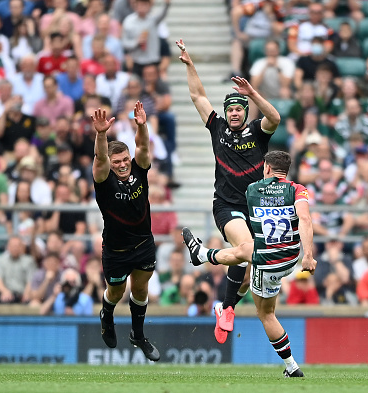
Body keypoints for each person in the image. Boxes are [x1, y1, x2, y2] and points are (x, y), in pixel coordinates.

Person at [176, 39, 281, 344]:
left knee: (249, 270)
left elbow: (274, 118)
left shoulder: (258, 132)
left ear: (246, 112)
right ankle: (203, 255)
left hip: (256, 209)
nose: (234, 113)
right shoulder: (217, 128)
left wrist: (253, 94)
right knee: (248, 250)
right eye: (231, 109)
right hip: (227, 205)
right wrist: (190, 65)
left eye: (239, 109)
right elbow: (197, 95)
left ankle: (227, 306)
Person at [183, 150, 317, 377]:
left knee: (266, 313)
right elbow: (304, 218)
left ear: (266, 168)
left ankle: (292, 367)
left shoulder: (253, 190)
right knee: (245, 254)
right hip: (290, 259)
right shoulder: (298, 190)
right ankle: (227, 304)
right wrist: (308, 255)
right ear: (287, 170)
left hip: (266, 261)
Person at [92, 100, 160, 362]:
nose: (122, 164)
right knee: (116, 293)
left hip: (143, 243)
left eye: (124, 159)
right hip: (116, 251)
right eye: (116, 161)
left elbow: (142, 146)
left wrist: (142, 126)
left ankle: (138, 335)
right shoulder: (104, 181)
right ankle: (107, 314)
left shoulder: (139, 169)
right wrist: (101, 134)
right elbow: (99, 158)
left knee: (140, 290)